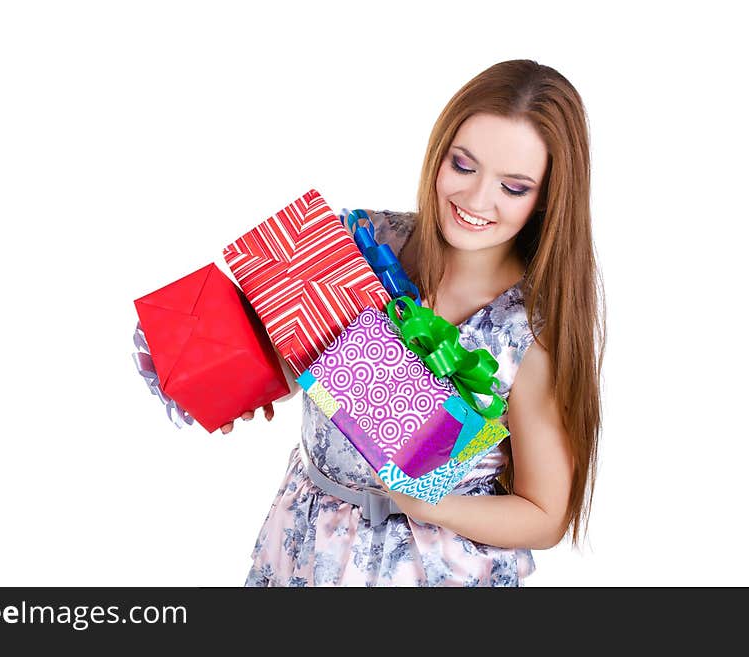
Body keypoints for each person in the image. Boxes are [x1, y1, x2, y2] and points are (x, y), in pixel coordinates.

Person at [226, 59, 605, 586]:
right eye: (463, 165)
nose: (476, 200)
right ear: (440, 151)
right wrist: (245, 383)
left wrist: (432, 505)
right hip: (304, 547)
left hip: (429, 572)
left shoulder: (526, 332)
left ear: (547, 200)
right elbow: (309, 358)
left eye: (513, 187)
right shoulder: (364, 242)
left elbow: (544, 515)